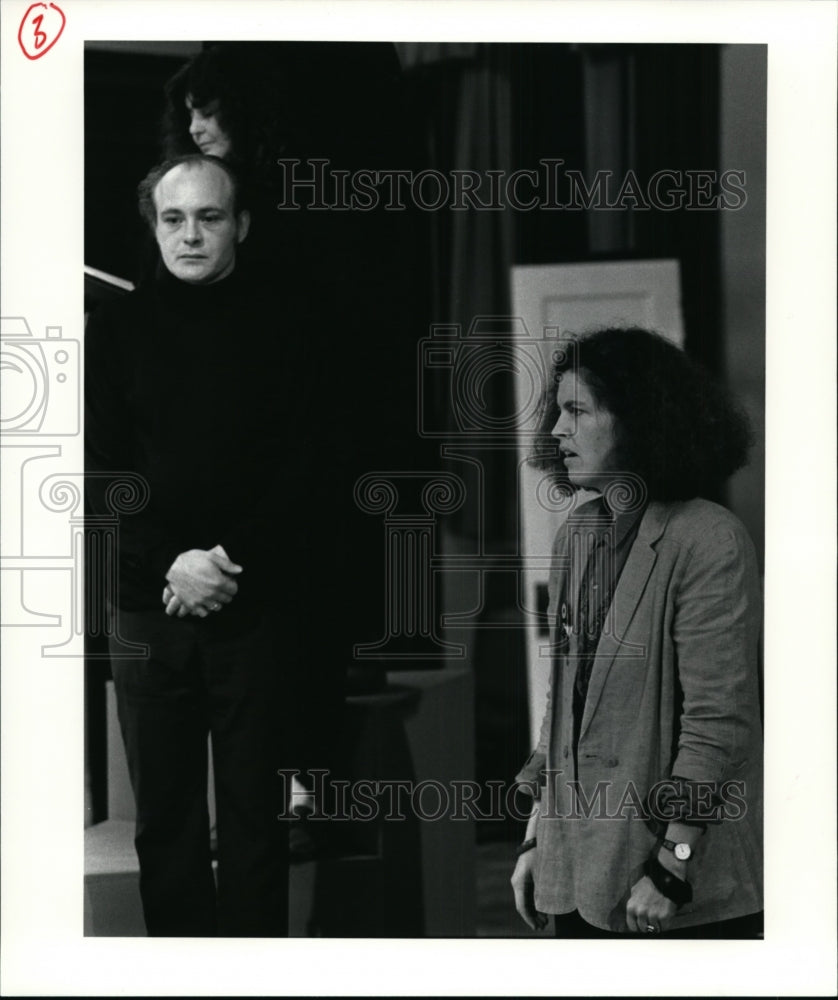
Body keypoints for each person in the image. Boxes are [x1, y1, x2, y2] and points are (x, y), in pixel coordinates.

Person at [85, 153, 305, 935]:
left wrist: (220, 563)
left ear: (240, 224)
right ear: (153, 226)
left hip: (254, 604)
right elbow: (104, 472)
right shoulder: (115, 326)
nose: (190, 233)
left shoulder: (288, 321)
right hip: (150, 608)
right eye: (173, 218)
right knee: (166, 829)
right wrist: (173, 561)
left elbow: (306, 468)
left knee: (255, 824)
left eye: (209, 217)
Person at [511, 327, 763, 938]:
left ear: (639, 419)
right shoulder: (578, 534)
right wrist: (537, 837)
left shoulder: (708, 538)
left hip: (670, 886)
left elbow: (718, 723)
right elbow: (566, 709)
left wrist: (672, 866)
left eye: (577, 411)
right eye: (558, 411)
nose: (555, 431)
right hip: (577, 871)